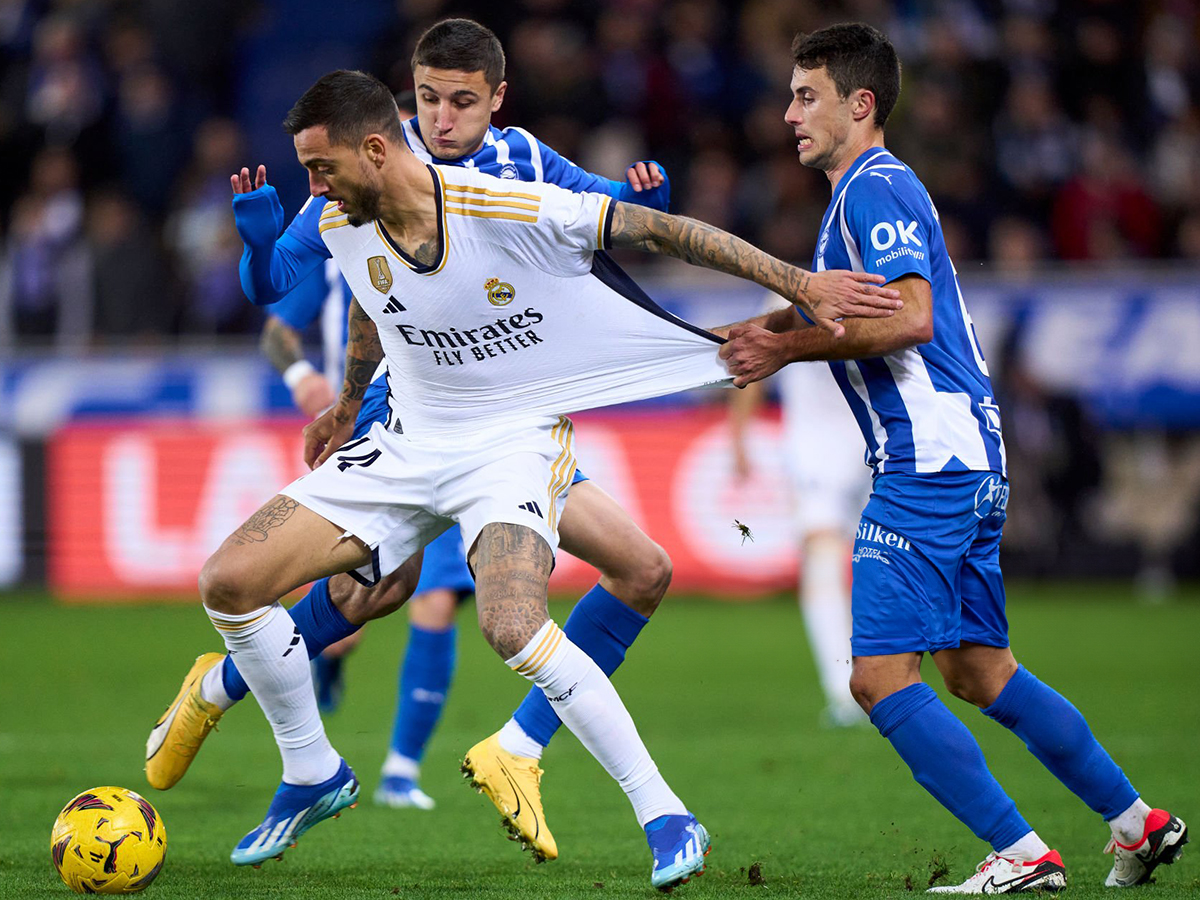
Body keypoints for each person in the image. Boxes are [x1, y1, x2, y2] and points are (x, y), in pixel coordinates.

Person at [179, 69, 899, 887]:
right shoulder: (344, 210)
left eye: (320, 168)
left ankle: (664, 810)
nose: (312, 189)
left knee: (511, 624)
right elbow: (352, 300)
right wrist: (332, 379)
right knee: (229, 582)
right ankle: (312, 771)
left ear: (375, 150)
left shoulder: (500, 205)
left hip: (509, 443)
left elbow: (660, 229)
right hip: (408, 441)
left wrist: (798, 283)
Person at [146, 18, 681, 832]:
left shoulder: (523, 159)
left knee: (637, 570)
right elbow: (300, 285)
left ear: (496, 101)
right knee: (399, 595)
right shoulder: (374, 170)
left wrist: (649, 202)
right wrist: (331, 369)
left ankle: (506, 746)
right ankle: (438, 755)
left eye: (459, 102)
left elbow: (609, 215)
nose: (439, 118)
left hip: (517, 416)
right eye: (426, 99)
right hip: (427, 420)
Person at [717, 23, 1188, 893]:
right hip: (968, 458)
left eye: (805, 95)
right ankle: (1139, 824)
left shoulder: (875, 188)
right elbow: (854, 306)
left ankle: (1022, 853)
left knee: (877, 679)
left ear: (861, 105)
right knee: (979, 671)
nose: (788, 114)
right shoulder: (859, 195)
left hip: (927, 465)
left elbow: (909, 318)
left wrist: (785, 352)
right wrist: (767, 328)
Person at [728, 292, 870, 728]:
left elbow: (748, 366)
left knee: (831, 565)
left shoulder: (790, 296)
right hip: (866, 445)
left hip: (833, 451)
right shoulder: (878, 290)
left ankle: (851, 690)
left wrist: (738, 437)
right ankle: (862, 685)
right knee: (863, 563)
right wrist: (739, 437)